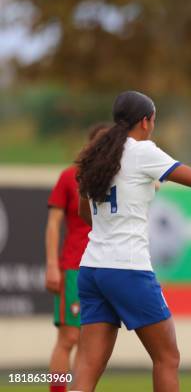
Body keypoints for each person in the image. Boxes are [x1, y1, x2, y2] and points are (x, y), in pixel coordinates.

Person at [71, 90, 191, 392]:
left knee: (88, 365)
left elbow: (83, 212)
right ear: (145, 121)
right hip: (127, 269)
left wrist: (109, 227)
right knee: (167, 357)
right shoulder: (141, 151)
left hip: (92, 269)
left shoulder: (96, 154)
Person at [45, 124, 108, 392]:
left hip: (103, 267)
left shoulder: (115, 177)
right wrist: (51, 265)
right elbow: (53, 223)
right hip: (73, 267)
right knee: (69, 337)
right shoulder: (70, 176)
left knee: (90, 341)